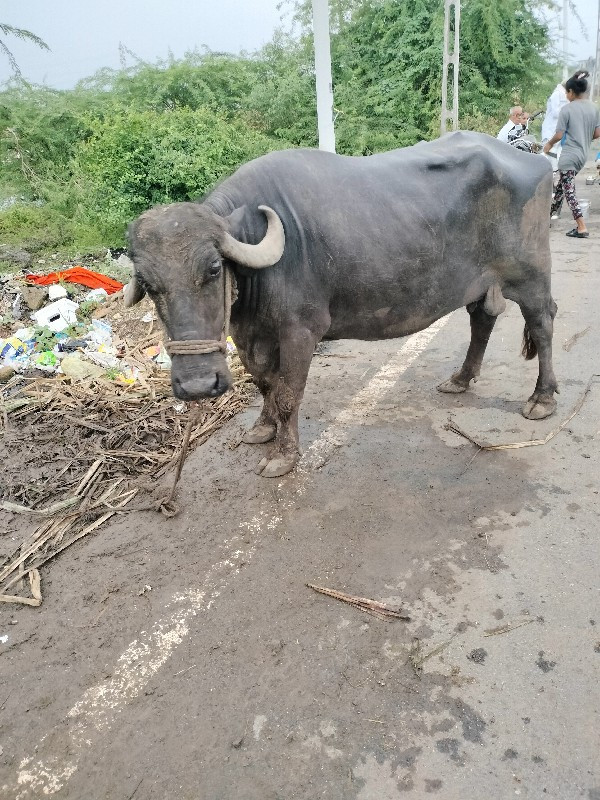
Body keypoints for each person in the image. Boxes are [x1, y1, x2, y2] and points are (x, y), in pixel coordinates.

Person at [543, 71, 600, 238]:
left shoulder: (567, 110)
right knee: (561, 186)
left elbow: (559, 135)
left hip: (569, 155)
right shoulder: (594, 109)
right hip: (582, 155)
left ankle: (581, 226)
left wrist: (548, 144)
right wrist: (583, 135)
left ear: (571, 92)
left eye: (567, 92)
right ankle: (547, 218)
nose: (566, 95)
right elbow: (597, 133)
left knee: (569, 191)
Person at [542, 80, 568, 160]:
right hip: (550, 130)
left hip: (558, 130)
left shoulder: (562, 94)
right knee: (549, 154)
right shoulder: (557, 94)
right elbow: (555, 113)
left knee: (556, 155)